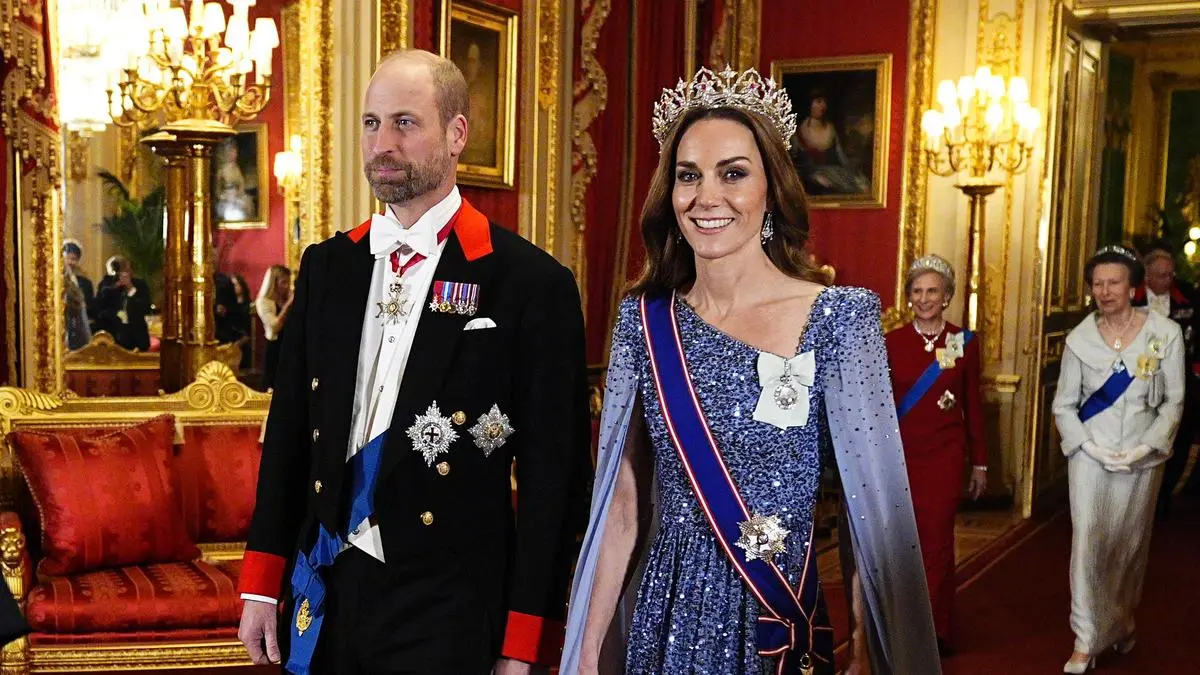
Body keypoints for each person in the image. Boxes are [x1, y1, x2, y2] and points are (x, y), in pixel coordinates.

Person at [560, 66, 939, 675]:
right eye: (689, 175)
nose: (706, 196)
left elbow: (870, 510)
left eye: (732, 173)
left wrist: (866, 650)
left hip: (776, 613)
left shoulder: (840, 318)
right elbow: (622, 505)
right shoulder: (644, 320)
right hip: (666, 619)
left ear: (772, 189)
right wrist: (585, 654)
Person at [236, 49, 590, 675]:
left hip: (447, 604)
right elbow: (289, 432)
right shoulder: (328, 267)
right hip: (325, 589)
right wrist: (262, 584)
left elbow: (552, 483)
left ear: (457, 134)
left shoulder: (529, 283)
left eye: (405, 123)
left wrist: (524, 642)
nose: (383, 144)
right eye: (372, 123)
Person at [1052, 245, 1185, 673]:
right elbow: (1063, 405)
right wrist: (1087, 446)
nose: (1104, 291)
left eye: (1113, 283)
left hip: (1142, 458)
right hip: (1090, 456)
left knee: (1128, 546)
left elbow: (1173, 402)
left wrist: (1147, 447)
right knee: (1088, 543)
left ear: (1132, 288)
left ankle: (1123, 620)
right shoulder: (1079, 340)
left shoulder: (1165, 334)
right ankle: (1086, 639)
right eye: (1097, 284)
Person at [884, 254, 987, 656]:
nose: (924, 298)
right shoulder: (890, 342)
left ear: (947, 296)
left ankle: (935, 628)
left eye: (933, 291)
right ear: (908, 296)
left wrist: (979, 461)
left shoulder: (964, 342)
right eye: (917, 291)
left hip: (944, 457)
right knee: (900, 543)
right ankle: (901, 626)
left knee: (938, 543)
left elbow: (973, 404)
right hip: (901, 456)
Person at [1133, 242, 1200, 519]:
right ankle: (1140, 493)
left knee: (1179, 435)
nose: (1169, 280)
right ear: (1147, 276)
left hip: (1180, 376)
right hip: (1138, 378)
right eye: (1162, 275)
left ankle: (1163, 493)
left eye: (1171, 274)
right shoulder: (1131, 297)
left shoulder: (1187, 295)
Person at [791, 89, 868, 196]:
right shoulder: (799, 131)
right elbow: (794, 163)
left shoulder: (831, 129)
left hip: (834, 174)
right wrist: (811, 175)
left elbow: (841, 158)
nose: (823, 106)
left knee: (860, 186)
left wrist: (854, 172)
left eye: (825, 102)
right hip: (810, 178)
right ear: (809, 104)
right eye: (819, 101)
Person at [94, 256, 152, 351]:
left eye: (126, 270)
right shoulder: (106, 285)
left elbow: (146, 308)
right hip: (113, 338)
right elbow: (98, 310)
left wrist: (130, 288)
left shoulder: (140, 285)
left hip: (136, 339)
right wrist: (113, 288)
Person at [254, 265, 293, 389]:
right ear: (273, 283)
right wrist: (288, 305)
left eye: (288, 282)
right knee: (273, 384)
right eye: (283, 282)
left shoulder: (286, 298)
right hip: (275, 346)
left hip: (290, 345)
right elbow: (274, 326)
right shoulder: (263, 302)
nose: (287, 286)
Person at [63, 241, 94, 351]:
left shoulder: (85, 283)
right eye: (68, 258)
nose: (70, 262)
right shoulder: (53, 280)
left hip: (78, 329)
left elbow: (90, 307)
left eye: (74, 259)